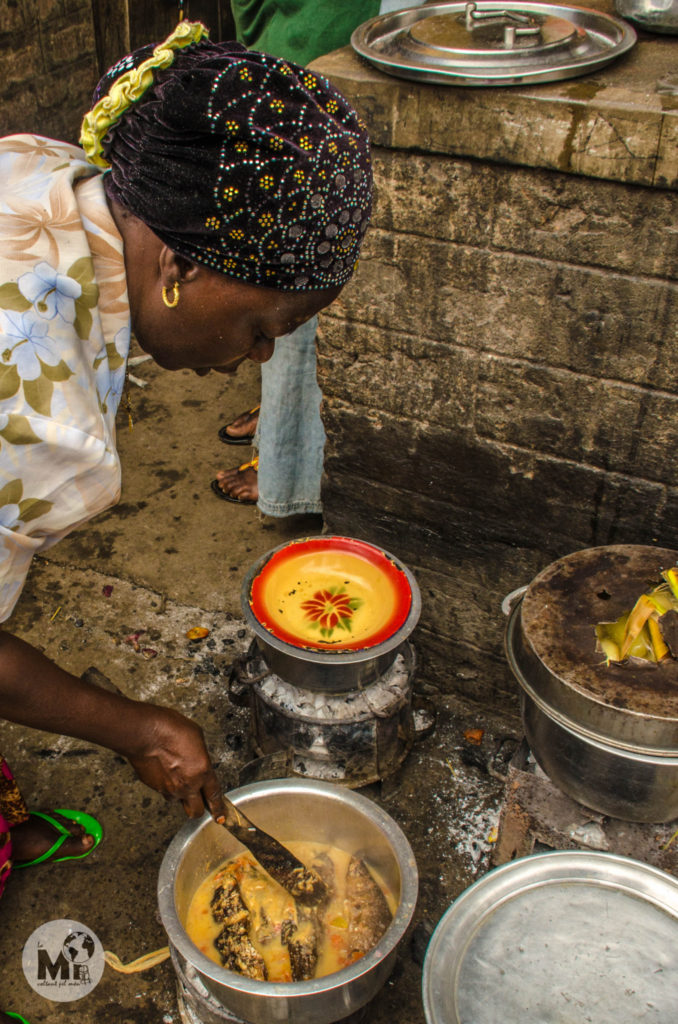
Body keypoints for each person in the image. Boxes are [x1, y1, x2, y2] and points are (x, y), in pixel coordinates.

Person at [0, 21, 372, 1017]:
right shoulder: (46, 419)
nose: (255, 359)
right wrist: (131, 724)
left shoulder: (48, 178)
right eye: (263, 327)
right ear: (176, 266)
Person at [212, 0, 425, 514]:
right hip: (288, 69)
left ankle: (287, 460)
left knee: (302, 292)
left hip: (335, 71)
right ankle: (280, 426)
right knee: (281, 291)